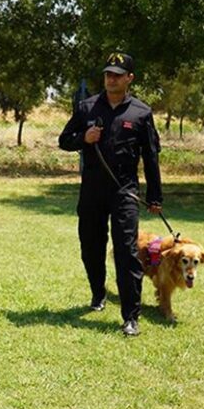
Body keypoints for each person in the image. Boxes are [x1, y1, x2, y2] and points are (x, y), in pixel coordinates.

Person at [58, 52, 162, 336]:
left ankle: (130, 316)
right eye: (108, 74)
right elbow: (64, 140)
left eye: (117, 74)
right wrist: (83, 138)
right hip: (92, 189)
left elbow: (151, 157)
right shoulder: (86, 108)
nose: (111, 78)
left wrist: (155, 196)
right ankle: (98, 293)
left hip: (124, 190)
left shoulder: (141, 113)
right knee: (90, 245)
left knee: (127, 250)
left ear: (129, 78)